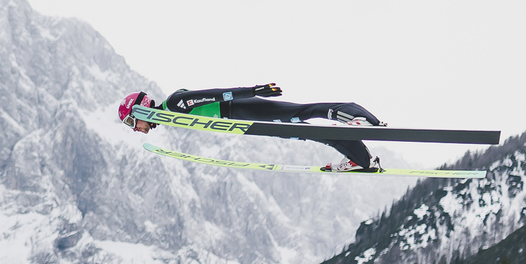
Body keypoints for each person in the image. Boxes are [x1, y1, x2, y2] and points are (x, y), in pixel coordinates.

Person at [117, 85, 386, 172]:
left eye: (131, 121)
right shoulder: (170, 115)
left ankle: (358, 117)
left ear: (141, 108)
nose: (135, 129)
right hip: (243, 121)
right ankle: (361, 159)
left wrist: (252, 91)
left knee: (301, 113)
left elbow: (214, 95)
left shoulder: (174, 103)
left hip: (243, 109)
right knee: (308, 132)